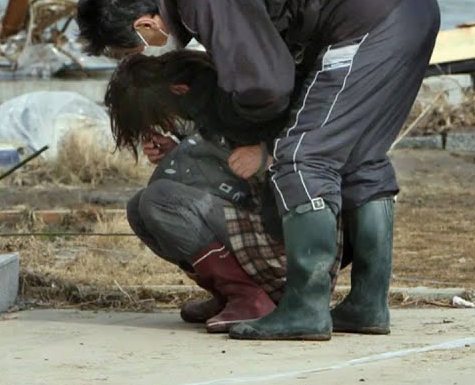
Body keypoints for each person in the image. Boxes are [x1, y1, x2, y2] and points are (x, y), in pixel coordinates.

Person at [76, 0, 441, 340]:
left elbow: (265, 87)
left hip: (369, 17)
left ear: (145, 24)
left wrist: (260, 140)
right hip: (408, 1)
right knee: (360, 157)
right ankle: (367, 304)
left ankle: (305, 308)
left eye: (133, 48)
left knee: (303, 158)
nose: (144, 55)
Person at [105, 50, 343, 334]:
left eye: (164, 116)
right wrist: (177, 150)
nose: (170, 123)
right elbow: (222, 165)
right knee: (139, 208)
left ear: (178, 90)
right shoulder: (210, 102)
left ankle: (250, 298)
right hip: (264, 228)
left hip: (294, 247)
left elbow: (307, 142)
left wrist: (265, 153)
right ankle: (231, 295)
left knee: (159, 200)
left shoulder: (238, 99)